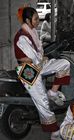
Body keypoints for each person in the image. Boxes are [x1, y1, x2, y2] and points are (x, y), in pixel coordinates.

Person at [14, 6, 70, 139]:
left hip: (37, 65)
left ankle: (53, 92)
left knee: (64, 64)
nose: (38, 21)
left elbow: (38, 55)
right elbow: (35, 57)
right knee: (43, 101)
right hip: (27, 70)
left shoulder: (31, 31)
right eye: (36, 19)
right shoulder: (22, 36)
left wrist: (41, 57)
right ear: (28, 20)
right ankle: (54, 132)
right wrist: (40, 57)